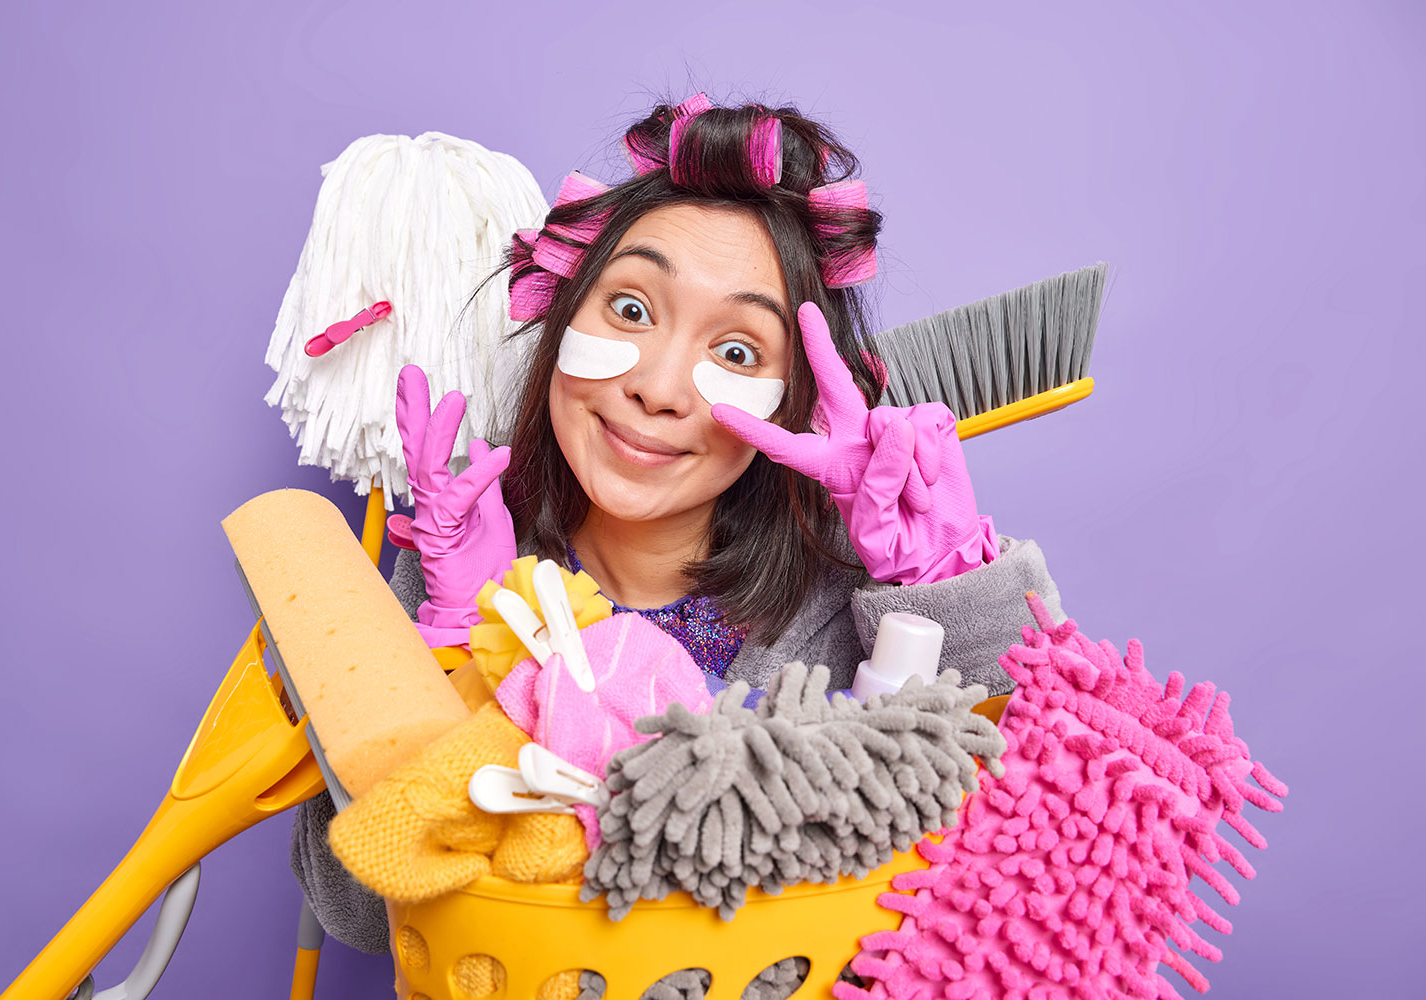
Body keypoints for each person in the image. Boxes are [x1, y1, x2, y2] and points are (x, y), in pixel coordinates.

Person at [292, 93, 1066, 957]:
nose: (660, 387)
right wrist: (464, 643)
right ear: (561, 314)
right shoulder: (450, 555)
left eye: (736, 352)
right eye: (630, 309)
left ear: (799, 400)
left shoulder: (857, 599)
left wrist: (948, 583)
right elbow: (357, 915)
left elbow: (1033, 855)